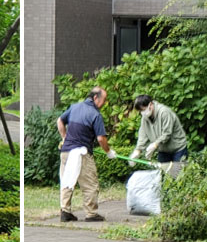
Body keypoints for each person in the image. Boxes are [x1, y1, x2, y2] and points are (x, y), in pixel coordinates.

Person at [57, 87, 118, 223]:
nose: (104, 103)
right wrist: (109, 152)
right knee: (90, 183)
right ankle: (91, 213)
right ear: (96, 98)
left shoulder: (74, 107)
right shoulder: (95, 114)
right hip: (81, 154)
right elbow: (101, 139)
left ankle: (65, 211)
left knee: (67, 181)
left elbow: (59, 121)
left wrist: (64, 138)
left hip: (66, 152)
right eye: (104, 100)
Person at [130, 95, 188, 165]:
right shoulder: (145, 117)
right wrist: (138, 150)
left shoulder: (164, 112)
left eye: (143, 110)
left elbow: (167, 133)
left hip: (178, 149)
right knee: (164, 174)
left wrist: (155, 144)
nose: (142, 113)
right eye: (140, 111)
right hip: (163, 151)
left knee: (179, 173)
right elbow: (143, 134)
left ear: (150, 105)